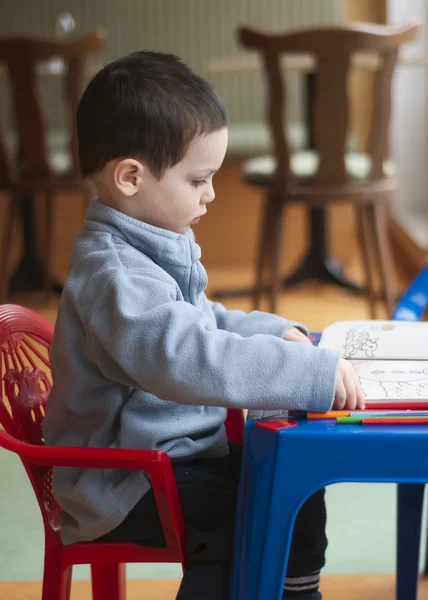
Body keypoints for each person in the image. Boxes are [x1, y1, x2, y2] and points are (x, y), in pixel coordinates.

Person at [43, 50, 364, 600]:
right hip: (120, 482)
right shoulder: (114, 274)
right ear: (130, 177)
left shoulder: (148, 245)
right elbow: (187, 356)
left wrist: (272, 334)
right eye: (199, 180)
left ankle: (292, 591)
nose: (211, 194)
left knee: (295, 482)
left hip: (170, 455)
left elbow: (204, 320)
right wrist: (303, 372)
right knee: (235, 520)